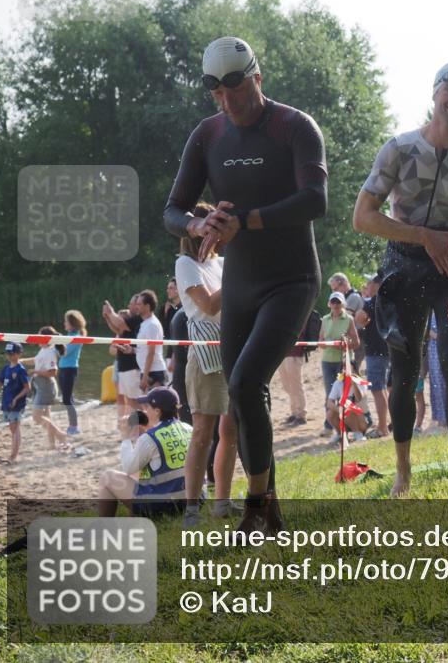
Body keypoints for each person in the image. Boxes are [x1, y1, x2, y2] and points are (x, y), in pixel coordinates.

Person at [164, 36, 328, 533]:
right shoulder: (208, 135)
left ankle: (256, 508)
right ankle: (269, 509)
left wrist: (247, 221)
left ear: (257, 79)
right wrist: (200, 225)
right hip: (240, 283)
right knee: (242, 396)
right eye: (216, 92)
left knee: (245, 380)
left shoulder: (294, 126)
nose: (227, 102)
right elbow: (172, 209)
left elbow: (314, 200)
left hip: (292, 278)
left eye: (235, 89)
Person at [353, 61, 448, 496]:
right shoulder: (399, 148)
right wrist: (422, 235)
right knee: (405, 367)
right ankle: (402, 468)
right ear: (434, 95)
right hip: (402, 266)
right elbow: (363, 218)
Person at [174, 202, 239, 525]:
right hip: (204, 355)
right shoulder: (186, 264)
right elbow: (209, 305)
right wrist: (242, 272)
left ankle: (223, 502)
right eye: (212, 226)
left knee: (231, 429)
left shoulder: (223, 263)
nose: (217, 234)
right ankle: (192, 508)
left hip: (232, 346)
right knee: (203, 433)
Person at [97, 387, 195, 518]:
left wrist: (126, 436)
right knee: (142, 474)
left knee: (107, 476)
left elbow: (128, 468)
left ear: (157, 411)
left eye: (147, 407)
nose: (144, 410)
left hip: (165, 506)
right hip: (193, 500)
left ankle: (102, 527)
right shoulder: (189, 428)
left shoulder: (150, 438)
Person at [21, 327, 71, 451]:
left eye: (39, 336)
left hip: (46, 387)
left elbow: (53, 372)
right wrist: (21, 361)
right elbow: (36, 360)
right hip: (42, 386)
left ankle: (61, 435)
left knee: (37, 417)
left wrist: (35, 371)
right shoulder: (44, 350)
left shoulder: (49, 352)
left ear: (46, 338)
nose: (37, 338)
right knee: (47, 417)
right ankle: (52, 444)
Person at [355, 273, 390, 437]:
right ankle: (386, 424)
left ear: (377, 285)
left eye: (369, 283)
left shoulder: (374, 301)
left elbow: (359, 318)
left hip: (376, 350)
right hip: (386, 349)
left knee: (377, 389)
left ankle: (382, 427)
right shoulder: (388, 300)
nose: (367, 286)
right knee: (383, 388)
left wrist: (365, 301)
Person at [279, 307, 319, 427]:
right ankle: (294, 411)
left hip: (295, 352)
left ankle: (301, 414)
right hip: (284, 353)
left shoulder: (300, 312)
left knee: (295, 384)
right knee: (287, 385)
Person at [102, 295, 144, 409]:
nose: (129, 306)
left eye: (131, 303)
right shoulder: (133, 320)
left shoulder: (137, 319)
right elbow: (118, 329)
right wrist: (108, 317)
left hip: (132, 366)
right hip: (125, 366)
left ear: (137, 305)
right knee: (130, 401)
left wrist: (111, 312)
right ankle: (137, 425)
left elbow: (120, 324)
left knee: (135, 401)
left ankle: (142, 425)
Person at [319, 292, 361, 399]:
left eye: (338, 302)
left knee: (345, 392)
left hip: (344, 361)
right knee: (330, 392)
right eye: (333, 302)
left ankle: (345, 415)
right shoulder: (325, 319)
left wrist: (342, 346)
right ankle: (329, 415)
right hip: (327, 360)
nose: (336, 305)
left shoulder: (349, 319)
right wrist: (325, 344)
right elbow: (320, 340)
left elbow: (356, 342)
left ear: (343, 304)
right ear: (329, 304)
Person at [0, 342, 30, 464]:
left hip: (16, 403)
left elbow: (27, 387)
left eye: (12, 354)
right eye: (8, 354)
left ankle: (13, 456)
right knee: (13, 428)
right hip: (6, 402)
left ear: (19, 354)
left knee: (15, 428)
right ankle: (14, 453)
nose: (9, 356)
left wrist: (16, 398)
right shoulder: (6, 368)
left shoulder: (20, 369)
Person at [59, 309, 87, 435]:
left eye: (66, 321)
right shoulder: (68, 337)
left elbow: (64, 352)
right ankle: (72, 425)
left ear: (72, 323)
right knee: (67, 398)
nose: (64, 323)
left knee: (66, 399)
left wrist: (56, 342)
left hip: (70, 369)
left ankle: (74, 426)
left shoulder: (77, 338)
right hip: (63, 369)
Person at [135, 291, 168, 393]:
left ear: (147, 306)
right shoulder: (145, 324)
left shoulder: (152, 325)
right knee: (148, 406)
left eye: (139, 304)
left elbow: (151, 352)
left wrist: (145, 376)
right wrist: (132, 350)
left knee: (155, 407)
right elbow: (144, 349)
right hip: (148, 371)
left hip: (154, 372)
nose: (136, 306)